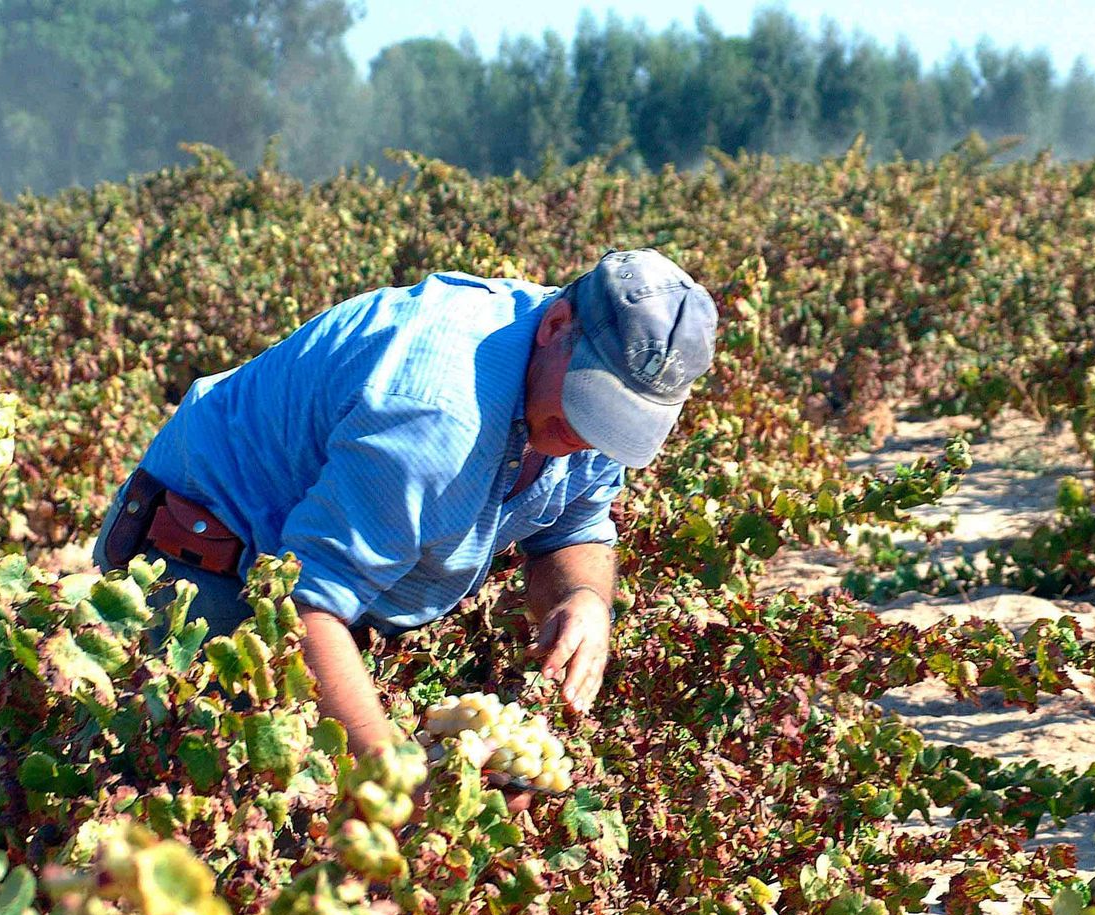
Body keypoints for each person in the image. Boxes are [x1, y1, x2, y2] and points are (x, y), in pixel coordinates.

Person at [93, 248, 717, 758]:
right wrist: (393, 783)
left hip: (328, 601)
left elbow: (577, 526)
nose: (588, 438)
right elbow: (303, 604)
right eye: (589, 407)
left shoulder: (591, 391)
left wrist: (584, 601)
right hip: (202, 576)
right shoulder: (435, 414)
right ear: (556, 326)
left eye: (619, 426)